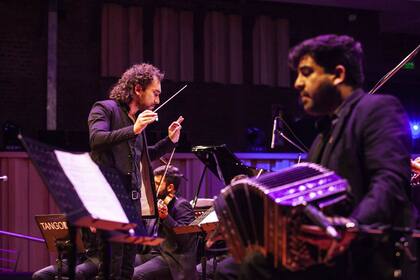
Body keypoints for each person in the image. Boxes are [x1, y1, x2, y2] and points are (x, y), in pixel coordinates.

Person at [215, 34, 416, 280]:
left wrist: (350, 226)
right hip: (329, 255)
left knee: (247, 267)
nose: (298, 83)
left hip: (365, 253)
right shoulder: (324, 134)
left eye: (306, 72)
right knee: (235, 265)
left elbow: (390, 181)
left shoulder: (377, 109)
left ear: (338, 74)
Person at [88, 63, 184, 280]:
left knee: (126, 270)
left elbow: (144, 154)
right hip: (110, 201)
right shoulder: (104, 108)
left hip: (132, 204)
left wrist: (169, 141)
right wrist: (134, 129)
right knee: (110, 268)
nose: (157, 101)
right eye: (155, 93)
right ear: (138, 88)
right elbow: (96, 139)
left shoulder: (136, 120)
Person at [133, 165, 197, 280]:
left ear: (170, 187)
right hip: (155, 253)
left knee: (136, 275)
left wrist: (166, 217)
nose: (153, 187)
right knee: (123, 266)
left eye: (157, 184)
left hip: (173, 259)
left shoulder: (182, 205)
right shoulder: (157, 204)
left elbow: (186, 238)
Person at [32, 228, 99, 280]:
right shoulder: (74, 222)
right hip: (75, 258)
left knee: (76, 273)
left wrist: (98, 231)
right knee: (39, 275)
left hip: (95, 259)